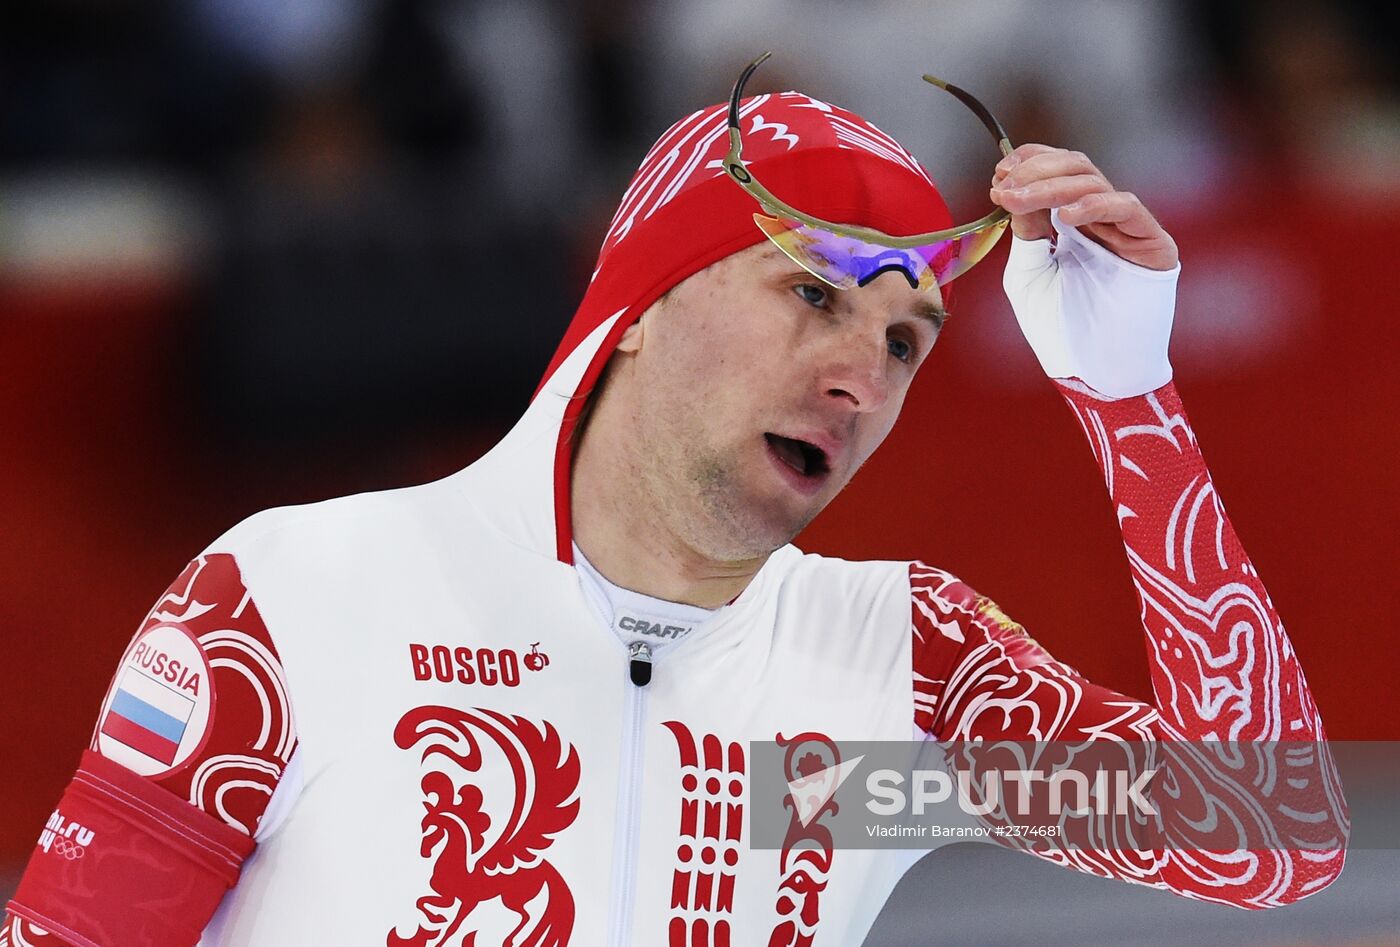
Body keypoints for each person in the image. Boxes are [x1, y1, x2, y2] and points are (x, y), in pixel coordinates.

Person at [3, 56, 1346, 947]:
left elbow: (1267, 834)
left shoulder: (880, 700)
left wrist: (1129, 399)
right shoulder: (305, 601)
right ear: (640, 310)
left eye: (904, 340)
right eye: (812, 293)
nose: (858, 375)